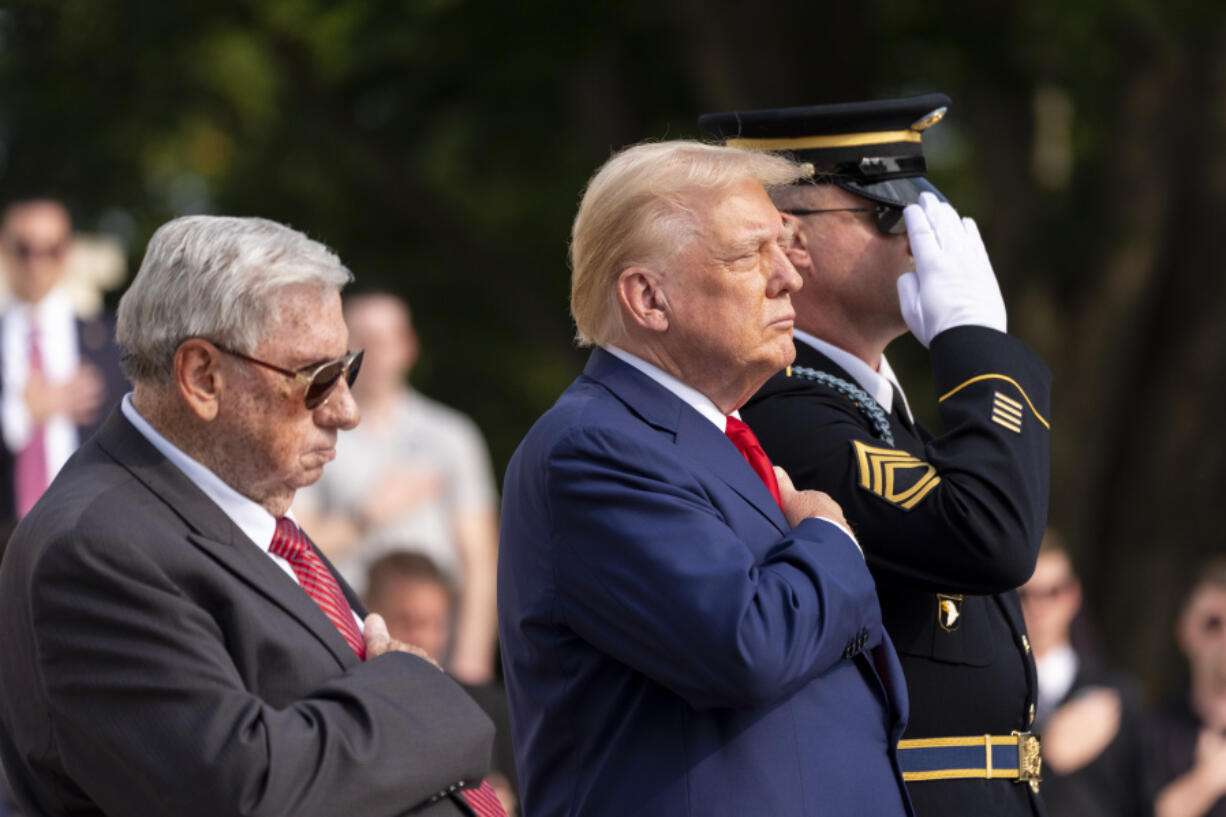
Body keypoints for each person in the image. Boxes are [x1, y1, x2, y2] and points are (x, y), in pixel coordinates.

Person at [0, 215, 506, 817]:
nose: (346, 409)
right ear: (202, 377)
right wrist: (416, 691)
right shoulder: (94, 547)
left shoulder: (239, 504)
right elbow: (245, 792)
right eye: (317, 377)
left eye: (349, 368)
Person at [499, 140, 914, 817]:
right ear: (647, 298)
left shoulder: (706, 438)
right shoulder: (596, 446)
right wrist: (829, 536)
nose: (790, 277)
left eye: (783, 247)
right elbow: (745, 644)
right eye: (751, 254)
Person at [701, 95, 1051, 816]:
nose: (920, 237)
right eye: (890, 213)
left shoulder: (878, 414)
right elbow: (991, 535)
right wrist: (977, 348)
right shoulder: (788, 417)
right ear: (791, 240)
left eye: (927, 208)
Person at [295, 289, 499, 685]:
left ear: (409, 347)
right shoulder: (313, 432)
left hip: (435, 639)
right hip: (347, 641)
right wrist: (367, 516)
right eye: (361, 340)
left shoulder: (451, 435)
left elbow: (480, 561)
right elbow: (297, 545)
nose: (373, 352)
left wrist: (471, 662)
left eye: (384, 339)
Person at [0, 197, 127, 544]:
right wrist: (20, 415)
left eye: (51, 250)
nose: (36, 263)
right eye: (24, 249)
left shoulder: (111, 344)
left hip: (92, 536)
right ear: (4, 248)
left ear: (67, 252)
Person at [364, 551, 518, 816]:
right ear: (370, 617)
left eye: (435, 624)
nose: (423, 638)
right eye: (407, 621)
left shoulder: (490, 708)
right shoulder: (353, 715)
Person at [1019, 530, 1153, 817]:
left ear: (1073, 595)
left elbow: (1143, 800)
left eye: (1052, 592)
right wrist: (1042, 754)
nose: (1038, 607)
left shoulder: (1118, 696)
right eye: (1024, 594)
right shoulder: (989, 695)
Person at [1153, 557, 1226, 817]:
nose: (1039, 608)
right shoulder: (1150, 731)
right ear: (1185, 632)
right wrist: (1206, 781)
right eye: (1213, 624)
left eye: (1053, 593)